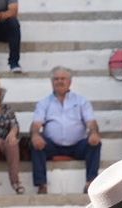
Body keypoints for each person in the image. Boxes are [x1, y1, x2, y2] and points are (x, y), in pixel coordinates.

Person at [29, 66, 100, 194]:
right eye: (56, 79)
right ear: (52, 82)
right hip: (52, 145)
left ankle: (91, 183)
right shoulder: (44, 103)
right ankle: (41, 185)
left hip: (77, 146)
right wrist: (35, 135)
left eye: (63, 78)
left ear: (70, 82)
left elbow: (91, 122)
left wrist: (94, 133)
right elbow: (36, 124)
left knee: (95, 143)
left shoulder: (81, 101)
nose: (59, 81)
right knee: (35, 143)